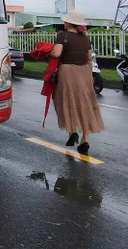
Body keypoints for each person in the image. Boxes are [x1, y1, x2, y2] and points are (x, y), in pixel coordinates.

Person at [49, 10, 104, 156]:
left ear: (69, 22)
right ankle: (85, 139)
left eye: (65, 21)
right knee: (85, 103)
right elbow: (89, 58)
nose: (64, 23)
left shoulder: (63, 35)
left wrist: (49, 52)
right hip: (84, 71)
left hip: (67, 71)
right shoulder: (85, 38)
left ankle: (72, 131)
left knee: (67, 101)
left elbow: (57, 53)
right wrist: (90, 75)